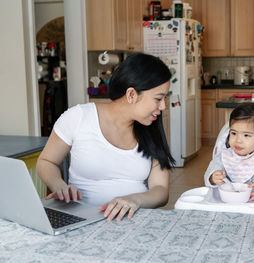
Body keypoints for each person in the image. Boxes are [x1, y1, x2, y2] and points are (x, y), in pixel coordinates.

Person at [37, 52, 174, 222]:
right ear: (131, 95)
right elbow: (46, 162)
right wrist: (58, 185)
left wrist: (135, 199)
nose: (163, 107)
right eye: (158, 99)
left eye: (165, 99)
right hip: (81, 221)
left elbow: (161, 190)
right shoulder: (79, 117)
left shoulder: (151, 128)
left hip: (134, 222)